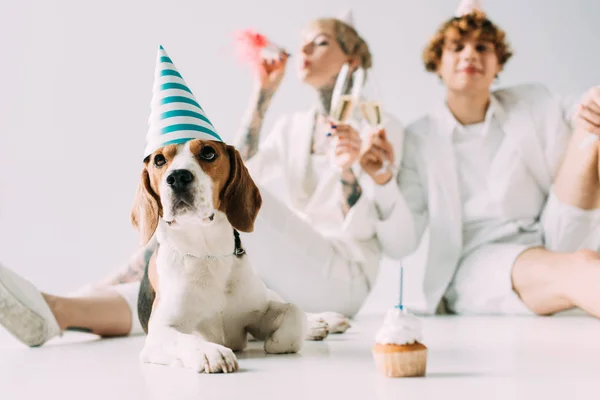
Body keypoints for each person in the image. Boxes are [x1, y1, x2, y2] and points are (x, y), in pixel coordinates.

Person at [0, 11, 403, 347]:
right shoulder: (294, 128)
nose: (304, 51)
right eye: (303, 43)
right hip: (289, 272)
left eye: (321, 42)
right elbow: (238, 165)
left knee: (216, 208)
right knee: (180, 287)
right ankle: (59, 312)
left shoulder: (380, 127)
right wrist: (263, 93)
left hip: (342, 275)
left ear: (353, 59)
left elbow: (399, 236)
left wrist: (357, 168)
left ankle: (96, 285)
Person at [360, 0, 600, 317]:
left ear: (498, 63)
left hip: (555, 230)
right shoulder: (419, 138)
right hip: (481, 260)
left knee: (591, 125)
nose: (470, 54)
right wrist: (383, 181)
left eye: (482, 47)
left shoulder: (531, 101)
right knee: (580, 268)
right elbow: (400, 245)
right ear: (437, 63)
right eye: (457, 47)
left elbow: (579, 110)